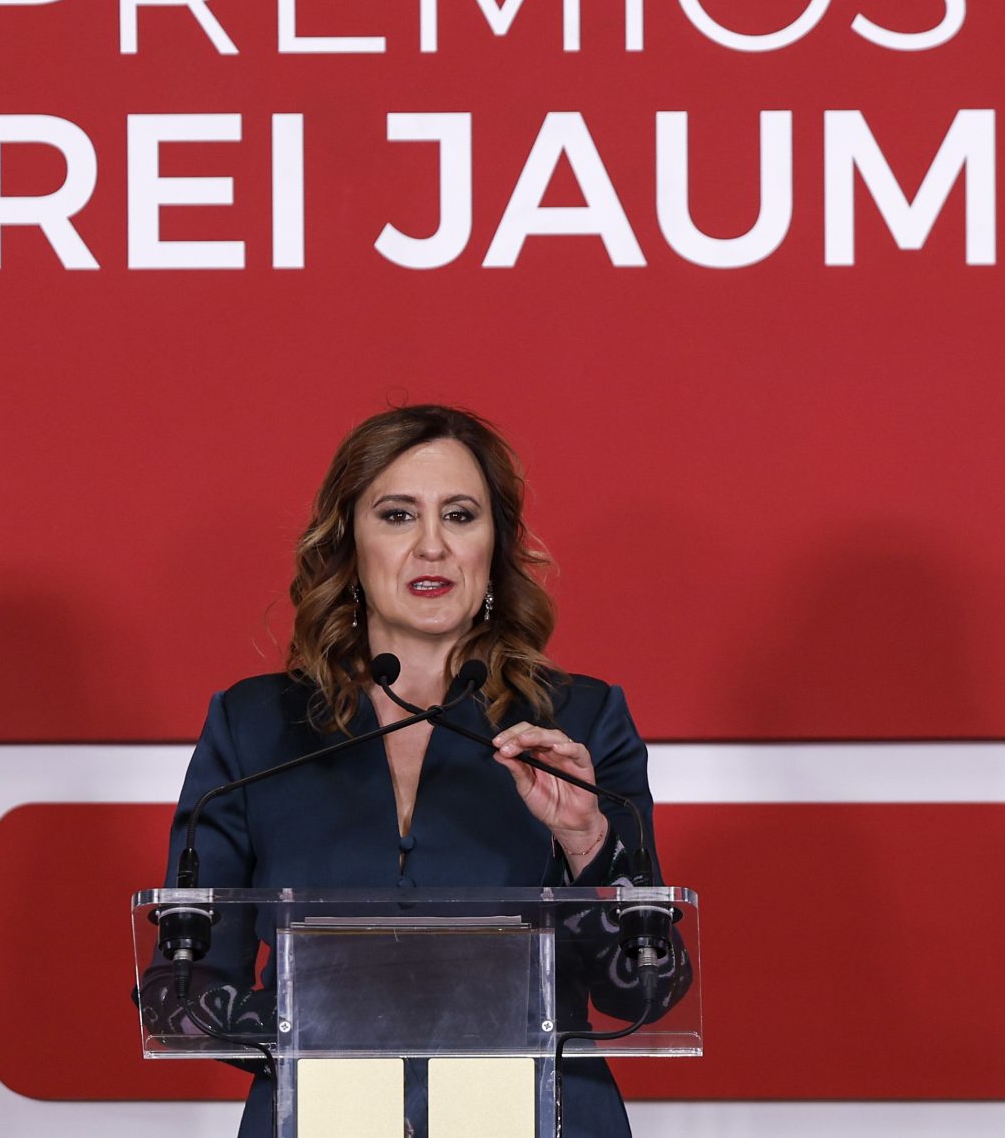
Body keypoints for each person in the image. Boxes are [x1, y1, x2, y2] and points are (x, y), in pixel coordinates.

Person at [155, 404, 680, 1137]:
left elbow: (645, 989)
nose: (432, 545)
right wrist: (332, 1029)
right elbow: (182, 988)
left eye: (460, 516)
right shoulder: (257, 727)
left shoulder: (578, 721)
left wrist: (588, 843)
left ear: (494, 545)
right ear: (349, 544)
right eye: (398, 515)